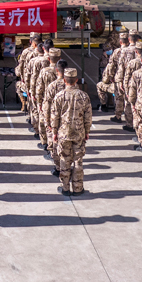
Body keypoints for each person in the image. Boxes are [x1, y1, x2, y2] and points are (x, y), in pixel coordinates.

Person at [50, 68, 92, 197]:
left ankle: (65, 188)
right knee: (78, 160)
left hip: (64, 133)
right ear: (76, 80)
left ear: (64, 80)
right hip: (79, 133)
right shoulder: (83, 96)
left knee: (64, 160)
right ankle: (78, 188)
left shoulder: (59, 96)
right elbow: (88, 116)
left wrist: (54, 132)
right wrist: (86, 131)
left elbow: (54, 116)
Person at [41, 60, 69, 175]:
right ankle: (66, 168)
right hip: (68, 121)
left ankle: (58, 168)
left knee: (55, 145)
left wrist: (47, 121)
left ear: (57, 70)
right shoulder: (73, 86)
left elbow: (47, 105)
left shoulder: (52, 86)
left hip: (54, 119)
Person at [35, 48, 62, 149]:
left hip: (48, 102)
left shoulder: (44, 71)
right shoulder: (65, 73)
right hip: (61, 105)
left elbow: (39, 89)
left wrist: (39, 102)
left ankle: (47, 144)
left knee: (46, 125)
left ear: (49, 59)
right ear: (60, 58)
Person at [120, 40, 142, 133]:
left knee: (130, 107)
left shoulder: (132, 63)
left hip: (134, 88)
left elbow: (127, 77)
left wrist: (126, 90)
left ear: (136, 51)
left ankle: (130, 125)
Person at [96, 32, 128, 113]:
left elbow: (106, 76)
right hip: (128, 83)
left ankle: (104, 105)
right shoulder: (130, 52)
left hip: (117, 84)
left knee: (100, 85)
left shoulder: (114, 57)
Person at [114, 34, 141, 129]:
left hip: (129, 80)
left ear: (129, 39)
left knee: (129, 102)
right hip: (141, 80)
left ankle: (130, 124)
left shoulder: (124, 51)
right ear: (138, 39)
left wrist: (120, 81)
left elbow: (121, 67)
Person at [15, 34, 40, 113]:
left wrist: (20, 76)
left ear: (31, 42)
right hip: (41, 82)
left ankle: (24, 102)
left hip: (29, 81)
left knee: (18, 85)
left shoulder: (26, 52)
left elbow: (21, 66)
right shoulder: (45, 51)